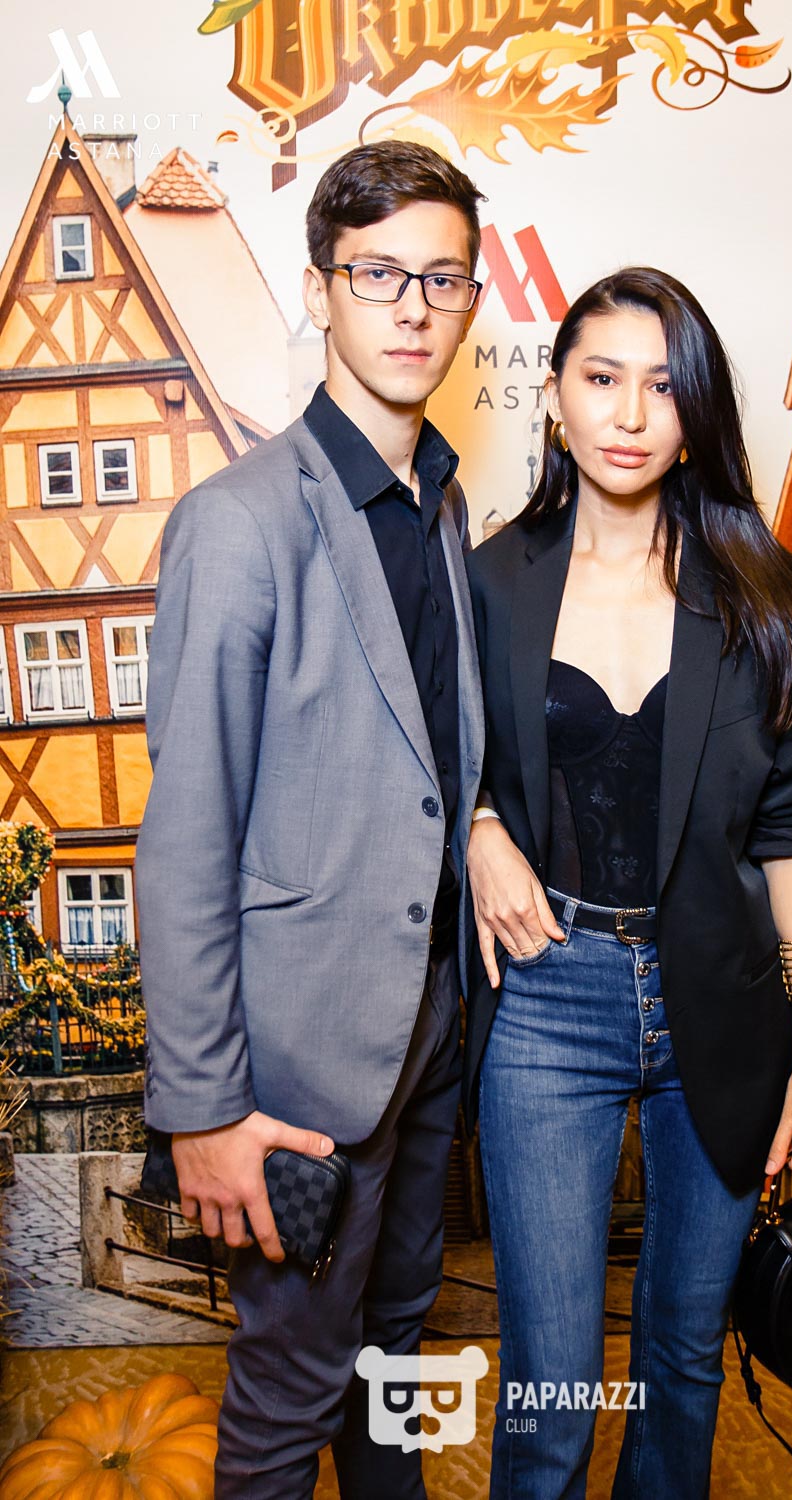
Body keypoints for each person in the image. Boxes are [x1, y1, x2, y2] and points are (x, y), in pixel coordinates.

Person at [463, 266, 792, 1499]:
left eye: (661, 385)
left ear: (696, 413)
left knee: (683, 1362)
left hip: (724, 1003)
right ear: (555, 397)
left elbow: (790, 830)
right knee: (552, 1387)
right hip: (546, 997)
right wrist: (478, 824)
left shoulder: (777, 605)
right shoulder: (485, 585)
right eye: (600, 378)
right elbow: (426, 758)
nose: (629, 414)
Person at [135, 141, 486, 1500]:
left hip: (429, 1031)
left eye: (441, 279)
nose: (412, 307)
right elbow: (186, 839)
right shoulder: (238, 523)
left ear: (469, 302)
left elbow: (429, 763)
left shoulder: (440, 506)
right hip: (296, 1067)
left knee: (393, 1365)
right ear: (320, 289)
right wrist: (204, 1110)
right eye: (378, 273)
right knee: (290, 1398)